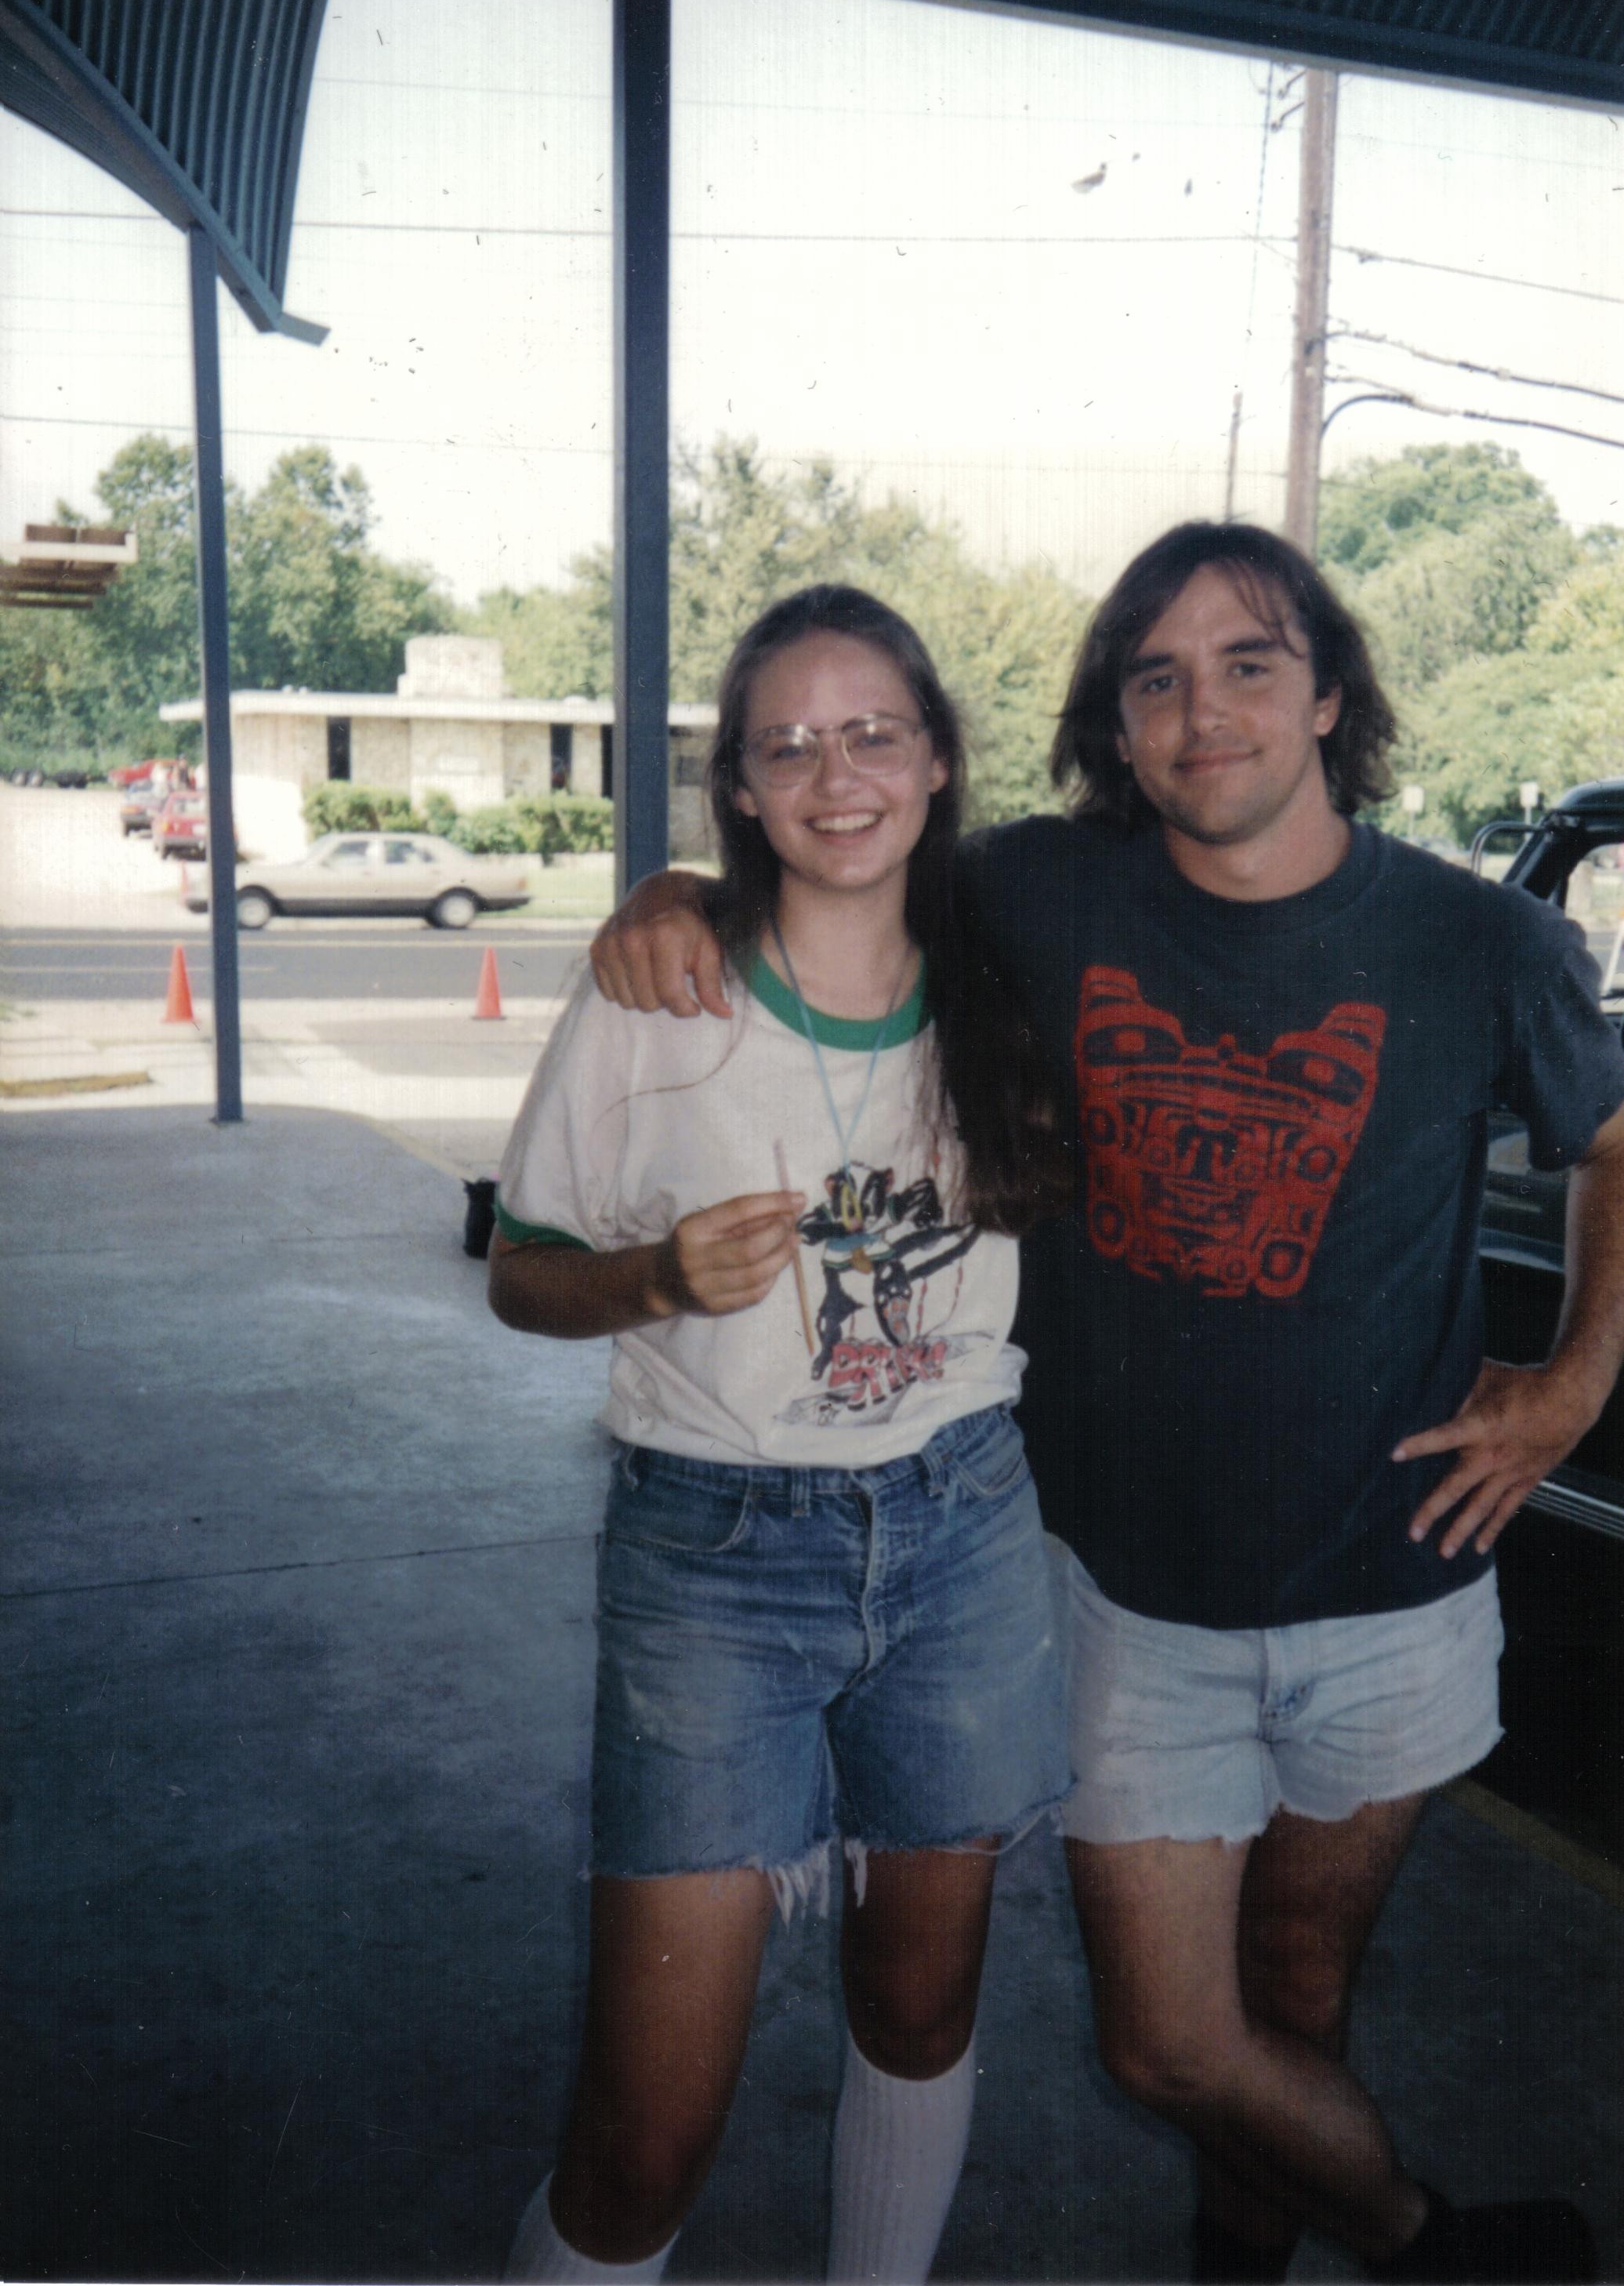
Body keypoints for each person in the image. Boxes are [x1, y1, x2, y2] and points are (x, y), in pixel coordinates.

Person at [590, 522, 1624, 2284]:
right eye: (1154, 678)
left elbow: (1610, 1142)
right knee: (1166, 2040)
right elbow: (833, 858)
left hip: (1397, 1588)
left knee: (1298, 1993)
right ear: (1114, 725)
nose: (1201, 711)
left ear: (1327, 700)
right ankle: (1428, 2239)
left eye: (1247, 664)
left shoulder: (1477, 943)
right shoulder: (1038, 892)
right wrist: (680, 896)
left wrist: (1573, 1380)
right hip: (1121, 1595)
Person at [489, 584, 1073, 2284]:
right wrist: (653, 1274)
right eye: (787, 743)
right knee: (647, 2123)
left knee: (920, 2003)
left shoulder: (1011, 977)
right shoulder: (655, 998)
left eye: (875, 729)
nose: (837, 772)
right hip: (713, 1558)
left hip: (963, 1530)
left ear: (940, 759)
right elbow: (525, 1281)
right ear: (737, 789)